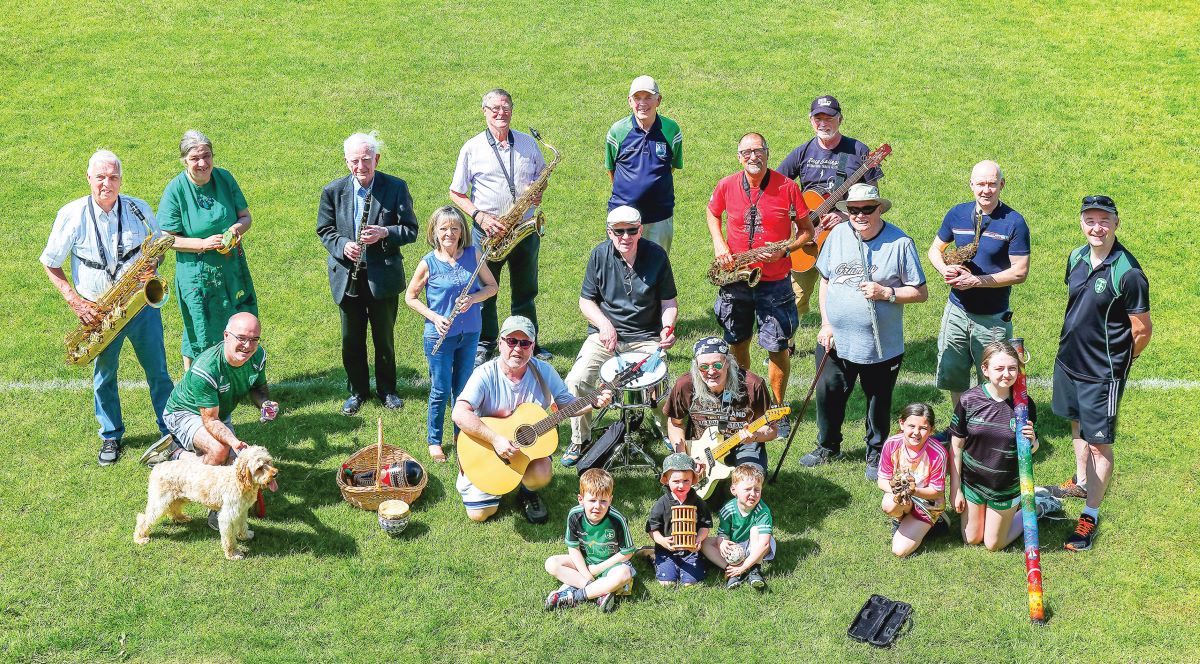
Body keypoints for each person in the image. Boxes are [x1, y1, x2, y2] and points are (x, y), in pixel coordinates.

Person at [41, 149, 174, 465]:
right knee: (104, 377)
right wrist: (74, 300)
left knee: (158, 372)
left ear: (120, 179)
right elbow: (50, 263)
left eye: (113, 177)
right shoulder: (72, 215)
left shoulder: (138, 210)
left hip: (141, 304)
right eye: (100, 177)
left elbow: (158, 249)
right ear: (89, 178)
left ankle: (171, 432)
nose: (106, 184)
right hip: (99, 312)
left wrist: (152, 267)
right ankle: (111, 437)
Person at [800, 184, 928, 481]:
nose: (859, 215)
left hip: (880, 345)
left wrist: (887, 293)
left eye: (867, 209)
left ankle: (875, 452)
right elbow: (826, 281)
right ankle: (828, 446)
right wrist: (826, 323)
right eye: (853, 210)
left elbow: (920, 292)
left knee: (877, 402)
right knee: (828, 395)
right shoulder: (837, 236)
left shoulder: (900, 243)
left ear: (879, 209)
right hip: (835, 340)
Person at [1049, 195, 1151, 551]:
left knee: (1099, 443)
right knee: (1076, 424)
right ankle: (1080, 482)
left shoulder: (1128, 272)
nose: (1097, 227)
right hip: (1068, 362)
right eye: (1090, 220)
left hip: (1100, 374)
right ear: (1081, 222)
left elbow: (1141, 329)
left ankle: (1090, 515)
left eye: (1104, 221)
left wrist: (1118, 367)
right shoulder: (1076, 257)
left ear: (1116, 224)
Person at [452, 316, 612, 524]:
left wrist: (595, 402)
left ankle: (527, 492)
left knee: (543, 472)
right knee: (480, 515)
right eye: (511, 341)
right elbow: (459, 413)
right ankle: (497, 480)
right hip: (487, 449)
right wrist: (495, 439)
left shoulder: (543, 371)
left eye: (525, 343)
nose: (517, 349)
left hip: (526, 451)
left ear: (532, 346)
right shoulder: (485, 374)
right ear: (500, 343)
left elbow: (566, 404)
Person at [707, 132, 813, 418]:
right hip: (738, 276)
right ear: (739, 157)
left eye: (758, 151)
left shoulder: (788, 187)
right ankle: (745, 399)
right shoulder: (727, 185)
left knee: (777, 346)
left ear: (768, 153)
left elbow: (807, 232)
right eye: (746, 152)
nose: (753, 157)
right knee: (737, 340)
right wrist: (720, 243)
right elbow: (712, 212)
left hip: (775, 280)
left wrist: (785, 250)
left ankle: (777, 408)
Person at [561, 206, 678, 466]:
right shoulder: (599, 255)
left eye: (631, 231)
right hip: (605, 337)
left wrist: (667, 329)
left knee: (658, 379)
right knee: (576, 380)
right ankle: (581, 439)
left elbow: (669, 302)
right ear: (609, 232)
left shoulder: (656, 255)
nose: (625, 237)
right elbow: (585, 301)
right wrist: (604, 324)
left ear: (641, 230)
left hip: (646, 337)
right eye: (619, 231)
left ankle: (667, 428)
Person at [141, 313, 279, 529]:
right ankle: (214, 507)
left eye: (254, 339)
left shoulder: (257, 356)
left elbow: (257, 387)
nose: (247, 345)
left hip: (218, 412)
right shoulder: (206, 368)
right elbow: (211, 421)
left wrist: (265, 404)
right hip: (184, 412)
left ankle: (175, 455)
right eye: (241, 338)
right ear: (226, 336)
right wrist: (233, 442)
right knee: (219, 450)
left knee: (235, 465)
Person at [318, 131, 420, 416]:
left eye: (366, 160)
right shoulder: (333, 191)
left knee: (383, 338)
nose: (360, 166)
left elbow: (410, 229)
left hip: (382, 278)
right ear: (346, 161)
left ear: (377, 159)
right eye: (354, 161)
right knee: (352, 340)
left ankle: (388, 391)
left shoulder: (395, 187)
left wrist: (384, 232)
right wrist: (343, 246)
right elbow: (325, 230)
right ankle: (357, 392)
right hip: (347, 276)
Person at [450, 88, 550, 365]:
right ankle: (486, 343)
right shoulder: (472, 148)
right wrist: (480, 216)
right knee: (486, 292)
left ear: (511, 110)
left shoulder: (528, 144)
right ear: (484, 112)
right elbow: (456, 193)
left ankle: (529, 340)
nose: (500, 113)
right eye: (494, 108)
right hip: (489, 232)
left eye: (505, 107)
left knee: (526, 291)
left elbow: (541, 175)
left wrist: (539, 190)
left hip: (524, 230)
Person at [927, 161, 1030, 417]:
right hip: (957, 311)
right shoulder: (957, 214)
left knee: (995, 378)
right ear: (971, 185)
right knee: (954, 374)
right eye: (981, 184)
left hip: (993, 318)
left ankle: (989, 429)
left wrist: (977, 281)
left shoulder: (1014, 222)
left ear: (1001, 185)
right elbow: (934, 250)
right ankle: (961, 426)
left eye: (992, 184)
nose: (986, 189)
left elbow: (1020, 272)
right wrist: (944, 270)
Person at [777, 95, 884, 324]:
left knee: (845, 294)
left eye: (829, 118)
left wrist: (845, 215)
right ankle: (786, 348)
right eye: (818, 118)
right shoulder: (803, 152)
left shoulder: (859, 151)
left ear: (840, 119)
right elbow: (776, 189)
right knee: (794, 296)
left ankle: (838, 342)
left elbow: (875, 202)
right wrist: (796, 219)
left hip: (845, 238)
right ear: (810, 120)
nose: (823, 123)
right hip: (806, 238)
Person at [158, 130, 258, 371]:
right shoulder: (176, 190)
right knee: (199, 328)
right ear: (184, 160)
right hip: (196, 274)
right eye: (195, 158)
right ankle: (198, 382)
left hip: (232, 269)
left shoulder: (224, 178)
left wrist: (235, 230)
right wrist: (202, 244)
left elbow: (245, 217)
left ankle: (239, 378)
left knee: (239, 322)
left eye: (207, 156)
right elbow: (166, 238)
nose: (202, 163)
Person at [405, 206, 498, 462]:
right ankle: (435, 440)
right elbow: (410, 297)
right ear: (435, 231)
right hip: (439, 337)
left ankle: (461, 434)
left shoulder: (473, 254)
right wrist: (434, 317)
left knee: (464, 389)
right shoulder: (428, 262)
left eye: (454, 228)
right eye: (443, 228)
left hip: (470, 333)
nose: (449, 233)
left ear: (462, 231)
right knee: (440, 389)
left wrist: (473, 298)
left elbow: (492, 287)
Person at [948, 341, 1038, 551]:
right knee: (971, 539)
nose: (1006, 374)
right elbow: (956, 445)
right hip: (973, 484)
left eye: (1012, 368)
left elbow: (1032, 450)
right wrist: (956, 491)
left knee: (993, 544)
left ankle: (1036, 507)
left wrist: (1032, 441)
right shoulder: (969, 400)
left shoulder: (1023, 405)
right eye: (999, 368)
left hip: (1005, 486)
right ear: (985, 370)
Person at [663, 337, 775, 476]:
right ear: (696, 366)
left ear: (728, 362)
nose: (710, 372)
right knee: (693, 493)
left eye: (717, 365)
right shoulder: (685, 384)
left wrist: (755, 436)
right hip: (703, 449)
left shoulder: (753, 384)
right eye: (703, 367)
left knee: (750, 483)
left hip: (743, 445)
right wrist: (684, 458)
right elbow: (675, 423)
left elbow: (771, 429)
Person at [605, 75, 683, 253]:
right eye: (637, 98)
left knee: (657, 270)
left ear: (659, 100)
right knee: (619, 271)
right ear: (629, 101)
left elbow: (671, 166)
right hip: (622, 216)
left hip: (659, 216)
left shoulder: (672, 130)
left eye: (648, 97)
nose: (643, 103)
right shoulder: (617, 131)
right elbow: (611, 169)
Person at [543, 468, 636, 612]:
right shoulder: (575, 515)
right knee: (551, 563)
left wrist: (597, 569)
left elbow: (627, 553)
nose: (597, 506)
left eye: (603, 501)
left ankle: (575, 595)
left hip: (610, 565)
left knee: (624, 574)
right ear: (581, 500)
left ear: (610, 500)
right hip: (585, 562)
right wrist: (587, 574)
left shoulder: (618, 519)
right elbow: (573, 548)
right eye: (592, 500)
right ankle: (599, 592)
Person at [877, 404, 947, 557]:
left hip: (928, 503)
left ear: (931, 429)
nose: (916, 432)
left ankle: (937, 522)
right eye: (911, 426)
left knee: (899, 551)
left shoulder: (938, 453)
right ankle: (900, 519)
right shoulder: (891, 444)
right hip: (904, 497)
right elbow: (882, 480)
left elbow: (937, 491)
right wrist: (900, 491)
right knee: (889, 504)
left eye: (923, 428)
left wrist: (913, 491)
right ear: (901, 424)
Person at [700, 463, 775, 590]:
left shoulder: (762, 510)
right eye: (747, 489)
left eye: (757, 490)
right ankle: (730, 571)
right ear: (734, 490)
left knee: (755, 529)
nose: (753, 494)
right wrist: (722, 542)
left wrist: (743, 567)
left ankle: (754, 569)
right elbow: (723, 533)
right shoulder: (727, 509)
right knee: (704, 542)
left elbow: (764, 544)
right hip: (736, 545)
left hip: (756, 546)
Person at [646, 453, 713, 587]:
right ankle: (654, 557)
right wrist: (662, 541)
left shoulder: (698, 502)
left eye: (686, 481)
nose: (681, 486)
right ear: (666, 480)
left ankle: (695, 565)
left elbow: (705, 526)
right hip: (667, 551)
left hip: (690, 551)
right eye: (676, 481)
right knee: (667, 583)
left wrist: (698, 539)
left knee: (690, 583)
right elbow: (652, 528)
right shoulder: (662, 503)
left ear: (693, 480)